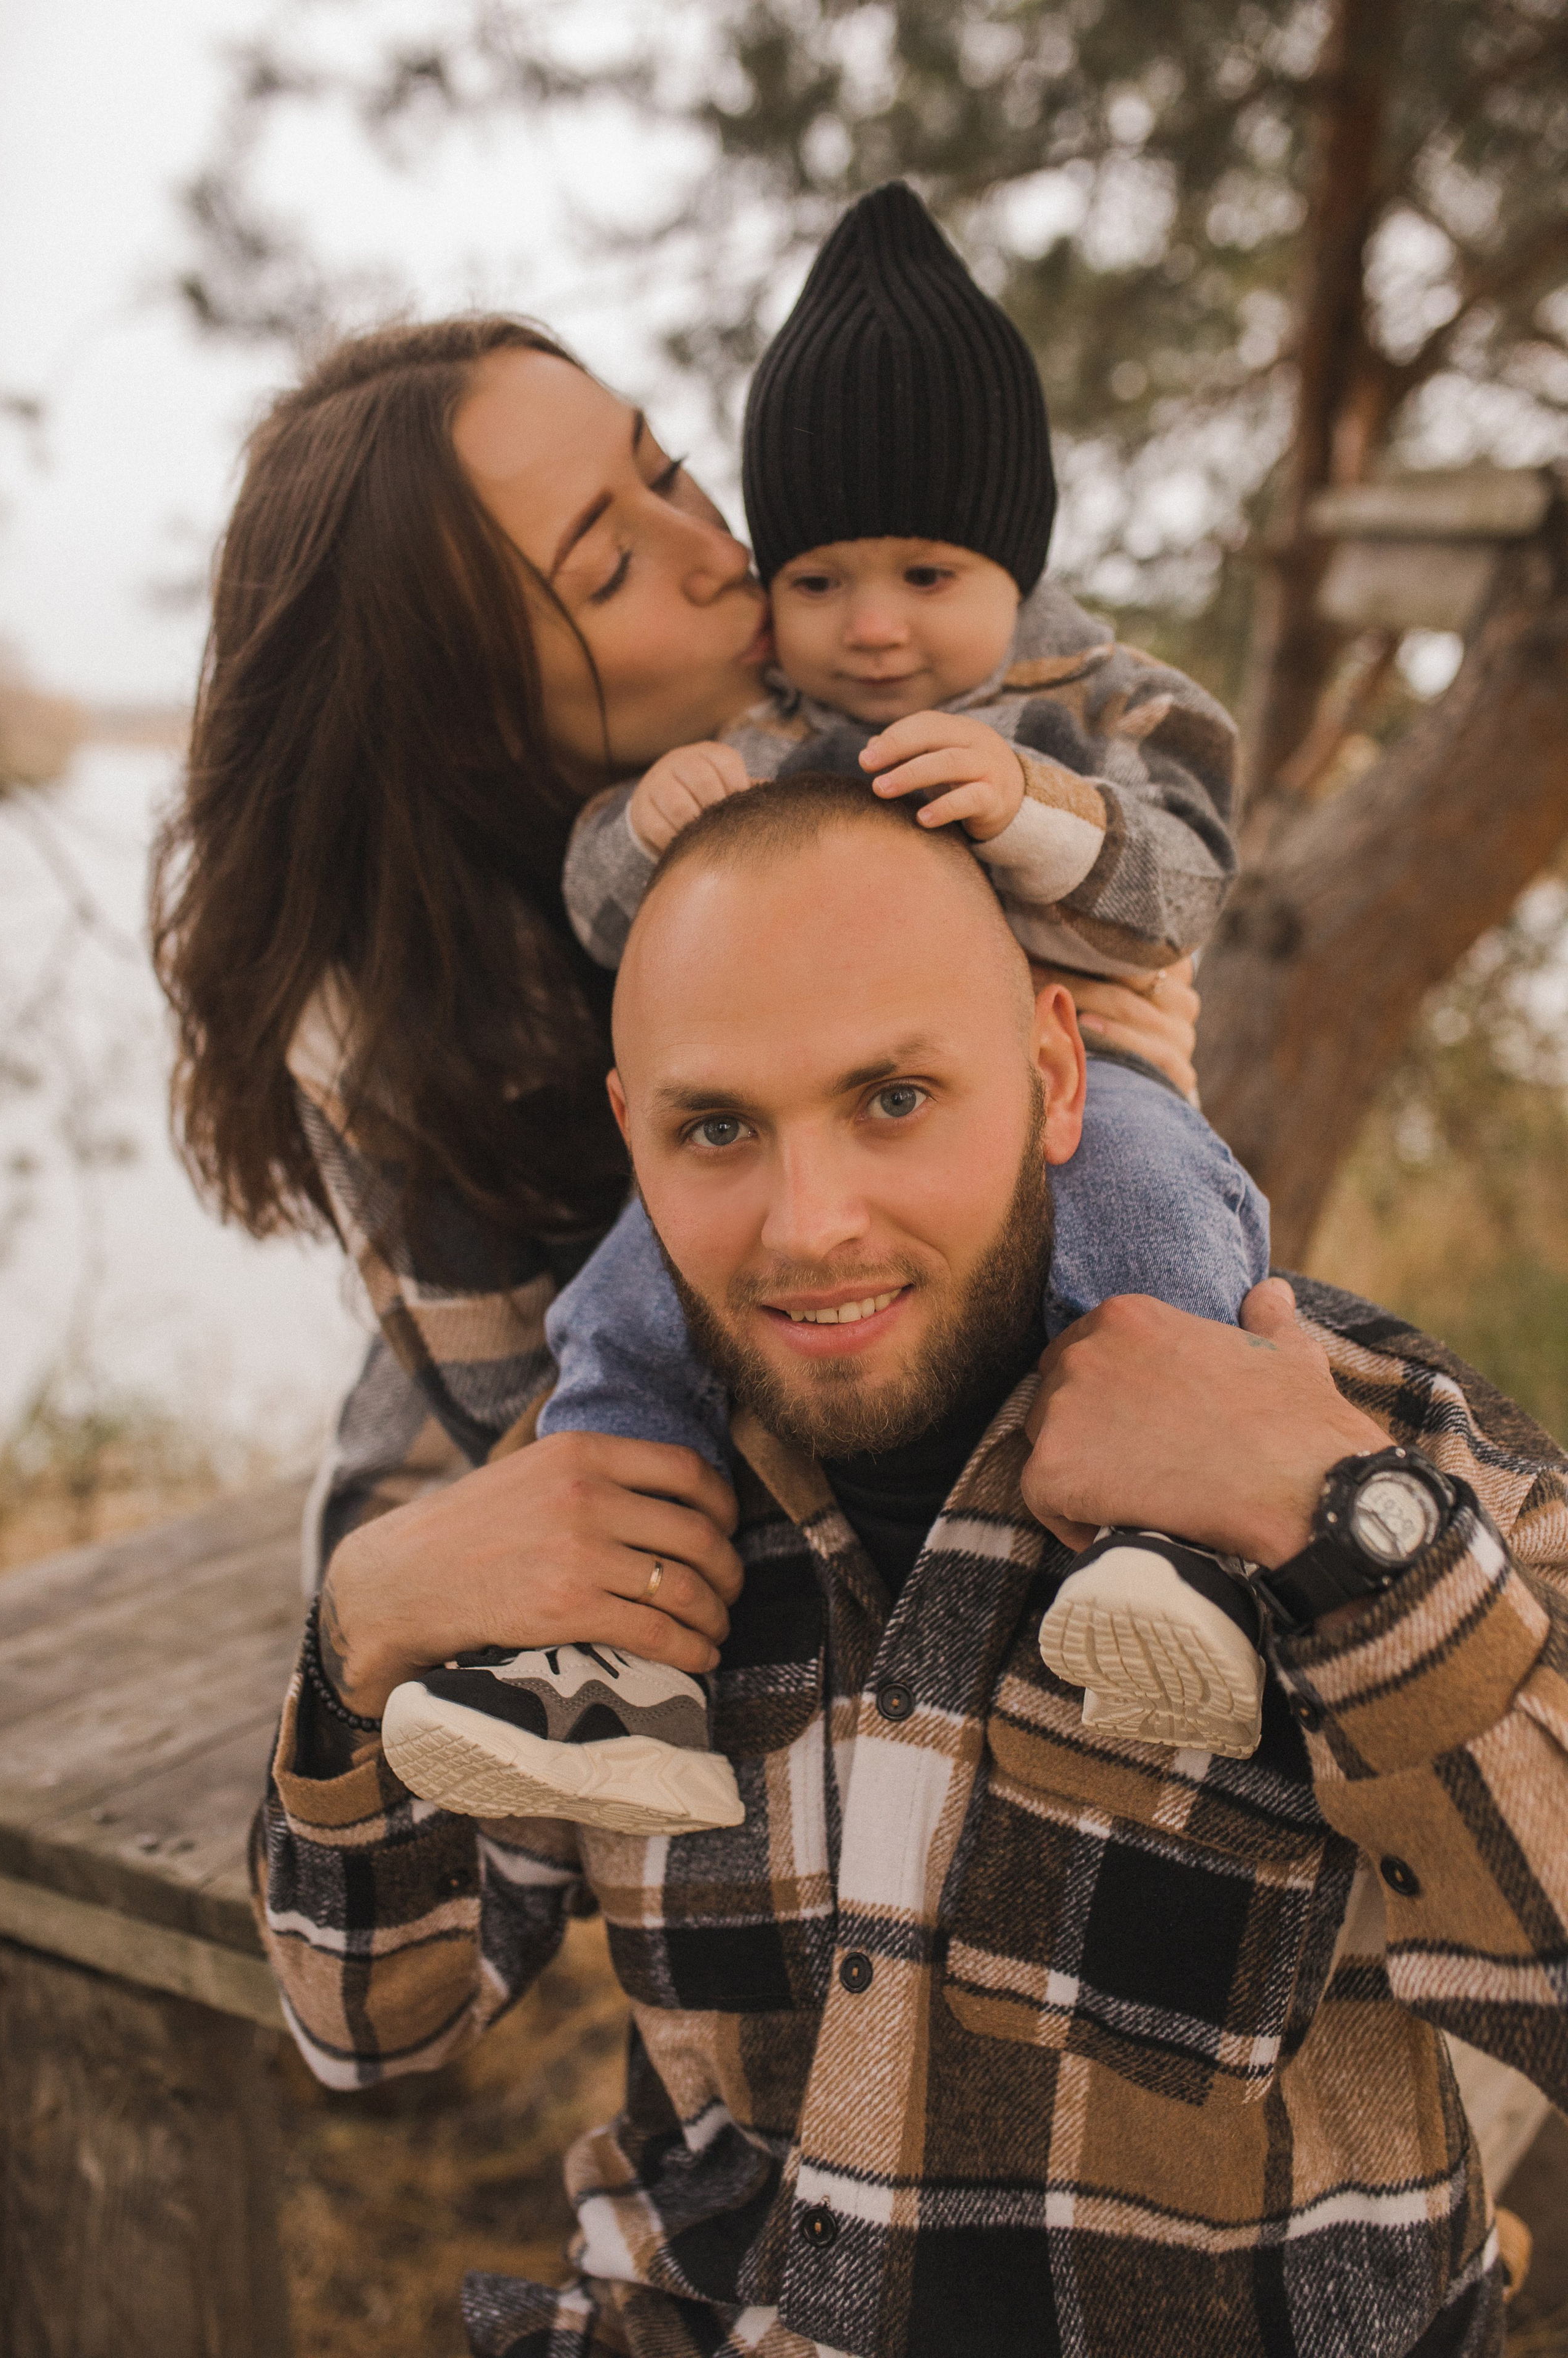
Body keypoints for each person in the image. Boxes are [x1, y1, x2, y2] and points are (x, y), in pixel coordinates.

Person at [258, 772, 1568, 2358]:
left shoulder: (1351, 1434)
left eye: (893, 1099)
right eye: (719, 1128)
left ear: (1055, 1075)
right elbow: (366, 2017)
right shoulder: (595, 1486)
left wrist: (1348, 1552)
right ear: (636, 1137)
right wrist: (357, 1639)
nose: (810, 1228)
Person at [377, 185, 1268, 1834]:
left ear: (1018, 557)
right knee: (625, 1306)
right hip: (830, 1122)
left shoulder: (1094, 701)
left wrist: (1031, 813)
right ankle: (612, 1666)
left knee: (1155, 1210)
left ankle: (1184, 1553)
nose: (873, 628)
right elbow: (617, 921)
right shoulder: (766, 723)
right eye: (820, 579)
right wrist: (645, 833)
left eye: (929, 572)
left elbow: (1191, 876)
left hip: (1091, 1081)